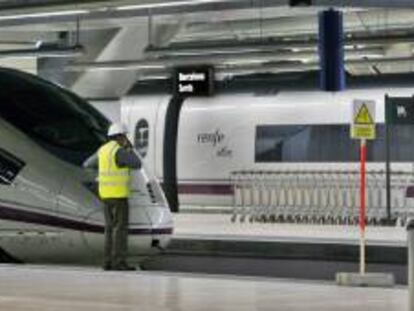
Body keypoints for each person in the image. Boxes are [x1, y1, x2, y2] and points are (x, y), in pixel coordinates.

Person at [83, 123, 141, 271]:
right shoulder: (119, 151)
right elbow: (137, 164)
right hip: (118, 196)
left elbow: (87, 164)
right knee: (120, 230)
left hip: (105, 196)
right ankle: (119, 263)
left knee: (109, 230)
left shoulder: (102, 151)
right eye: (125, 137)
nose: (126, 139)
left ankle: (107, 262)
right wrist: (129, 149)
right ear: (121, 136)